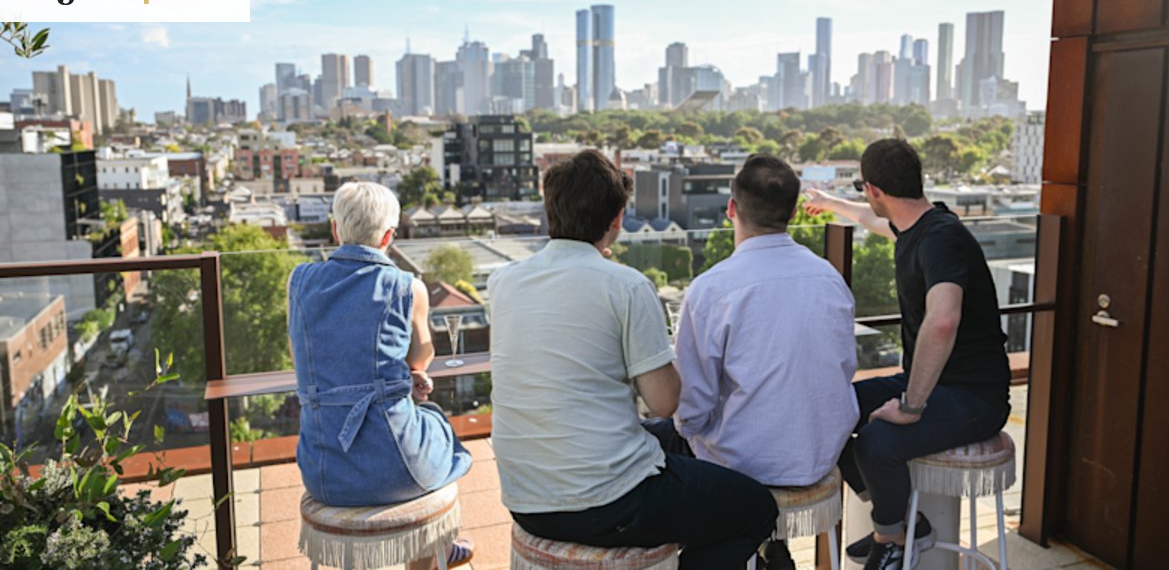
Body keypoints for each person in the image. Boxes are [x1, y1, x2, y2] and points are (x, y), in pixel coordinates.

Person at [489, 149, 779, 568]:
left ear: (550, 210)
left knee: (667, 437)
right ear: (618, 220)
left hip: (524, 497)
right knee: (755, 506)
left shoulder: (503, 282)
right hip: (606, 505)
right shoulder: (625, 286)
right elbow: (665, 401)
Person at [803, 139, 1011, 570]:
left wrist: (911, 406)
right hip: (936, 382)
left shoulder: (942, 240)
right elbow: (869, 217)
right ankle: (901, 519)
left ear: (875, 189)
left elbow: (943, 320)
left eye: (864, 188)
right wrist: (829, 202)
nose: (864, 197)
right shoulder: (915, 224)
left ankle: (893, 540)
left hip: (976, 396)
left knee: (880, 441)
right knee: (831, 409)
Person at [645, 154, 859, 569]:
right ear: (794, 213)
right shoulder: (830, 278)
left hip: (742, 464)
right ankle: (764, 548)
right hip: (819, 454)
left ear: (731, 209)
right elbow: (840, 369)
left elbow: (693, 406)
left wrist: (690, 430)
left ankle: (731, 548)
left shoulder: (712, 289)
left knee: (654, 441)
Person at [288, 182, 475, 568]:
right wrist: (409, 375)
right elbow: (422, 354)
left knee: (420, 429)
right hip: (394, 466)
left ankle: (436, 546)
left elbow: (311, 359)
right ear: (389, 236)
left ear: (335, 230)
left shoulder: (300, 282)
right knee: (435, 426)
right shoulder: (408, 287)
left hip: (323, 467)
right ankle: (434, 547)